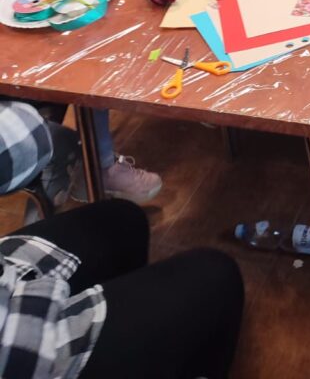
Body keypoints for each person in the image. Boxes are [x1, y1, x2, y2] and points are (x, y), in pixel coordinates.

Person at [0, 99, 243, 379]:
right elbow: (29, 138)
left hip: (9, 284)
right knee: (216, 275)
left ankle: (144, 341)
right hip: (21, 354)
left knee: (123, 220)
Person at [0, 0, 162, 205]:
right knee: (84, 71)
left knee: (90, 50)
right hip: (9, 79)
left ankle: (90, 165)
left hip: (22, 54)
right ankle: (92, 166)